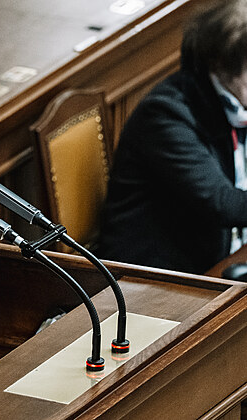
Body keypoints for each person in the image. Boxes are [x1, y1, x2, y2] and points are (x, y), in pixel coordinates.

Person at [98, 0, 247, 274]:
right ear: (223, 63)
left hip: (223, 257)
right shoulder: (166, 114)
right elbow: (222, 203)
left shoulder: (235, 95)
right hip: (155, 277)